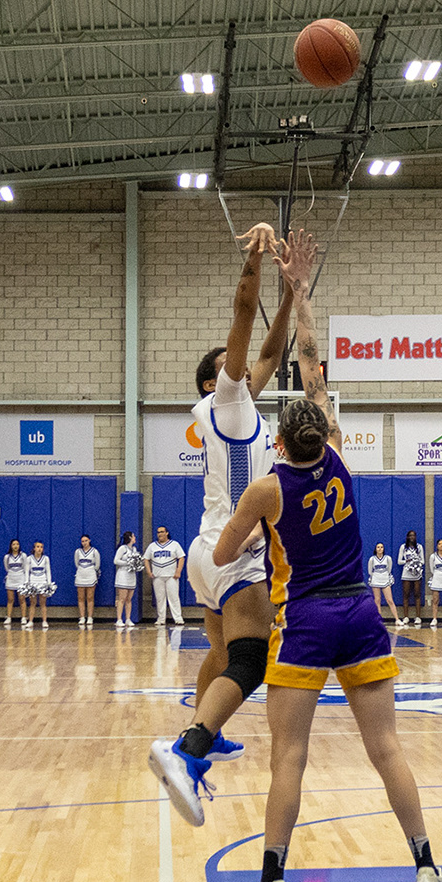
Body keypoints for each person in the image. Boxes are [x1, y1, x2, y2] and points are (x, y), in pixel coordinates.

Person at [147, 231, 442, 882]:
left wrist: (281, 285)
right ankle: (427, 865)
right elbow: (303, 361)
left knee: (268, 714)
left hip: (290, 603)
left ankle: (249, 845)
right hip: (361, 612)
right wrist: (298, 289)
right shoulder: (335, 452)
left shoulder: (267, 484)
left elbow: (274, 348)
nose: (256, 369)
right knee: (386, 748)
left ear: (280, 441)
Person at [178, 219, 296, 751]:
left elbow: (270, 356)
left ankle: (203, 728)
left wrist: (290, 295)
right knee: (251, 659)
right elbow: (245, 313)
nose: (244, 365)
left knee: (222, 653)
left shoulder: (240, 402)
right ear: (214, 381)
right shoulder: (224, 399)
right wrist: (256, 256)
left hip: (206, 550)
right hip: (236, 547)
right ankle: (192, 745)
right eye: (232, 362)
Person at [146, 525, 186, 627]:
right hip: (157, 576)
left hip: (171, 576)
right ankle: (161, 619)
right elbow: (146, 558)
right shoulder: (152, 546)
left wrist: (178, 571)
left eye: (162, 532)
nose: (160, 534)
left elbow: (181, 557)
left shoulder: (174, 544)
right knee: (160, 599)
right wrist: (149, 571)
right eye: (158, 532)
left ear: (167, 533)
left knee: (174, 598)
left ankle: (178, 618)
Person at [114, 532, 143, 628]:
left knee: (129, 599)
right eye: (134, 536)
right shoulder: (122, 548)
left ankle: (128, 619)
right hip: (123, 575)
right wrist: (128, 562)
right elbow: (116, 560)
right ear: (130, 537)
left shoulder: (134, 549)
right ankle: (119, 619)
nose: (135, 538)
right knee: (121, 599)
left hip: (131, 575)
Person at [397, 530, 425, 627]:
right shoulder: (403, 547)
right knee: (406, 594)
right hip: (406, 573)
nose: (412, 537)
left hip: (416, 573)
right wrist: (407, 561)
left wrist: (416, 563)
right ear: (408, 537)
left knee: (417, 594)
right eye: (410, 535)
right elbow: (399, 561)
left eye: (414, 535)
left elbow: (423, 561)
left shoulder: (419, 547)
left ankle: (418, 617)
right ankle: (406, 616)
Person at [24, 541, 54, 629]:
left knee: (43, 603)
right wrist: (27, 583)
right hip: (33, 582)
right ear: (34, 548)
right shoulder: (29, 559)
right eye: (37, 547)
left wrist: (49, 583)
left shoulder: (46, 558)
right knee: (32, 603)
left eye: (41, 547)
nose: (39, 549)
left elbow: (48, 571)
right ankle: (30, 621)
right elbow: (27, 571)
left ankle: (44, 621)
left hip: (43, 582)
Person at [73, 535, 101, 627]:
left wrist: (92, 571)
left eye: (86, 540)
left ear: (89, 541)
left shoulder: (94, 551)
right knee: (80, 597)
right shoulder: (78, 552)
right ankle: (82, 617)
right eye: (83, 541)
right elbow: (76, 563)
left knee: (90, 597)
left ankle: (90, 617)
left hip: (91, 576)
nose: (84, 543)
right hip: (80, 575)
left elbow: (97, 565)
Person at [368, 542, 399, 623]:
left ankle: (397, 619)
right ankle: (379, 620)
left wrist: (385, 576)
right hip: (375, 580)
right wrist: (375, 576)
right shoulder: (372, 559)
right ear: (375, 549)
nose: (380, 549)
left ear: (383, 549)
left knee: (390, 600)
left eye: (381, 547)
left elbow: (389, 569)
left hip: (385, 580)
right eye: (378, 547)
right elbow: (370, 571)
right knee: (377, 600)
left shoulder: (388, 558)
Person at [1, 538, 28, 625]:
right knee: (10, 599)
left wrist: (25, 580)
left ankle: (23, 617)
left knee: (22, 599)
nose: (15, 546)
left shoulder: (23, 555)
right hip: (11, 578)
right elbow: (7, 568)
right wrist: (11, 574)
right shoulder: (7, 557)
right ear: (11, 546)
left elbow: (25, 567)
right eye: (14, 544)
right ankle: (9, 617)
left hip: (20, 578)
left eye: (17, 544)